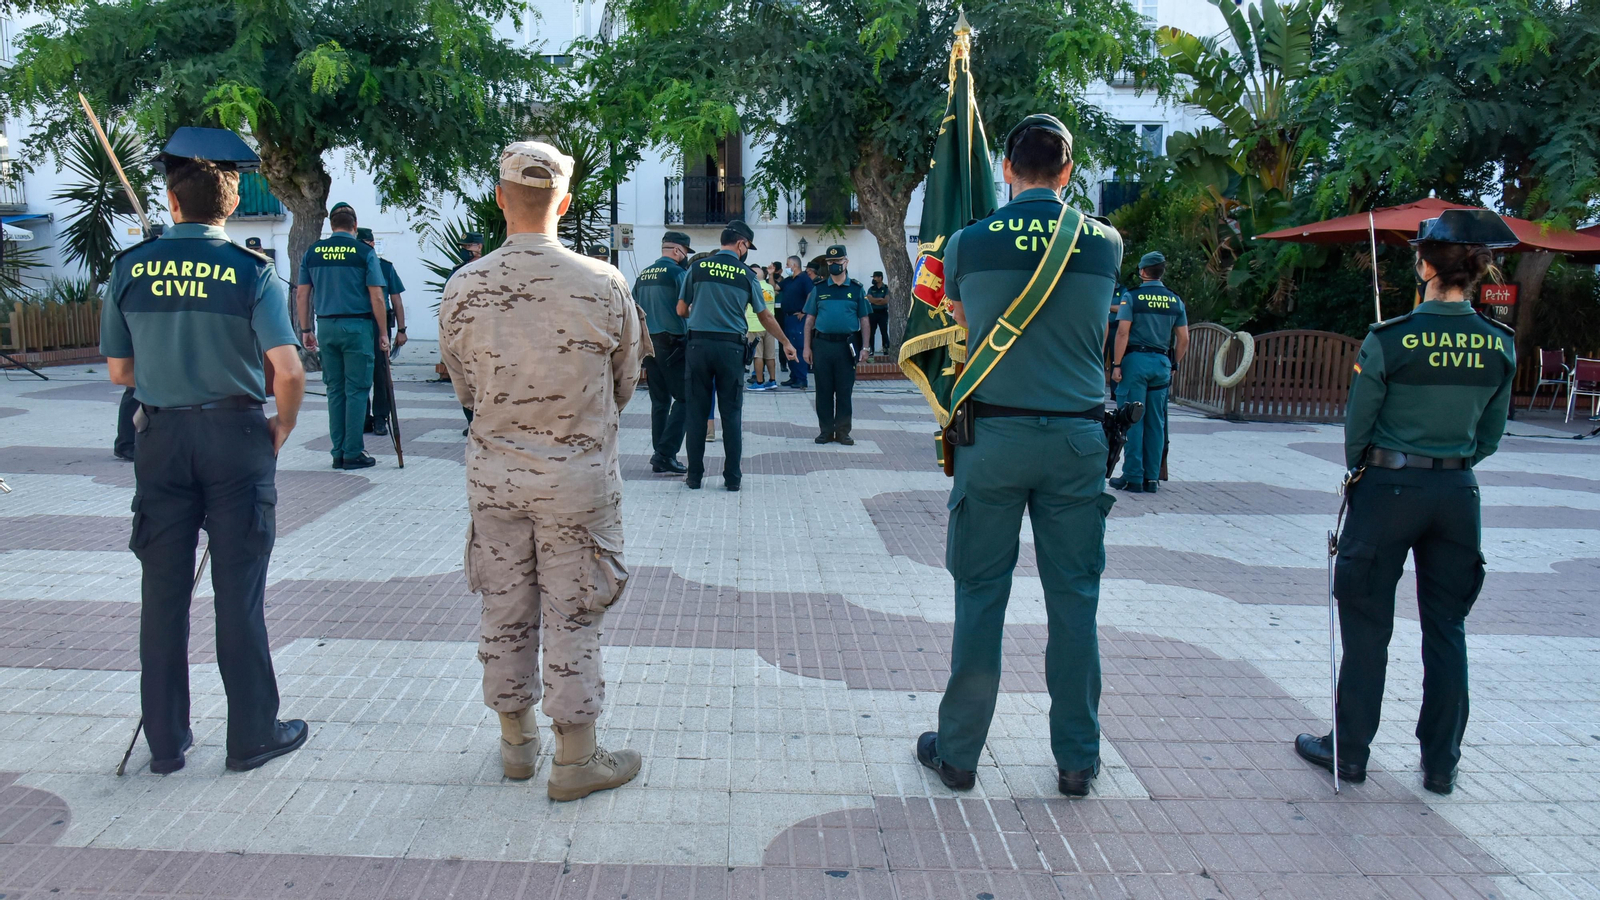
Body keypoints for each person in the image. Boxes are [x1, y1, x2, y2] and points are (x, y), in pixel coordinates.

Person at [915, 114, 1123, 798]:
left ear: (1007, 169)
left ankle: (960, 753)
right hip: (1077, 443)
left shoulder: (968, 243)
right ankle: (1076, 760)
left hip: (994, 440)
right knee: (1075, 601)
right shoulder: (1105, 243)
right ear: (1068, 172)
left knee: (981, 598)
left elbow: (965, 328)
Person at [438, 141, 649, 801]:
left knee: (504, 610)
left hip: (495, 482)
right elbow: (624, 385)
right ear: (565, 200)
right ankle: (577, 760)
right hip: (576, 485)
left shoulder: (463, 286)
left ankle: (517, 746)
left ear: (500, 198)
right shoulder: (604, 283)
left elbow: (465, 391)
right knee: (574, 613)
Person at [98, 126, 310, 774]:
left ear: (170, 200)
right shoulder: (252, 272)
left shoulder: (131, 268)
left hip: (158, 438)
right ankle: (251, 735)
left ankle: (166, 742)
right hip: (236, 437)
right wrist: (282, 427)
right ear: (230, 204)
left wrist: (170, 370)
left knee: (161, 597)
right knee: (237, 593)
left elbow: (118, 371)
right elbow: (290, 370)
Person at [1294, 208, 1518, 796]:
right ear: (1474, 272)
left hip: (1388, 490)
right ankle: (1441, 763)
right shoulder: (1500, 345)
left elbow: (1357, 433)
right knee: (1447, 627)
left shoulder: (1391, 338)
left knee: (1368, 627)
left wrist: (1381, 470)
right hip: (1456, 494)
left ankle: (1350, 753)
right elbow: (1490, 437)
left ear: (1424, 264)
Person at [676, 219, 797, 491]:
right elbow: (764, 315)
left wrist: (699, 310)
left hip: (698, 347)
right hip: (731, 349)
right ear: (741, 244)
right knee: (731, 415)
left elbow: (681, 310)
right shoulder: (747, 275)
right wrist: (786, 342)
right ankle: (732, 479)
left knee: (696, 414)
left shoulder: (696, 268)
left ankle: (694, 477)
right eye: (747, 248)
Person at [295, 202, 388, 470]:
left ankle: (337, 452)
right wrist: (383, 332)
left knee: (334, 390)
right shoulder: (363, 252)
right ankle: (353, 452)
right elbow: (377, 295)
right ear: (354, 226)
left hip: (325, 326)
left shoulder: (313, 252)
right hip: (357, 327)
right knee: (357, 390)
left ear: (331, 225)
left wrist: (305, 329)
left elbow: (302, 293)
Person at [1109, 252, 1187, 493]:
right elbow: (1184, 338)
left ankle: (1132, 476)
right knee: (1156, 422)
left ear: (1143, 271)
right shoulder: (1175, 300)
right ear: (1161, 272)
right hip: (1161, 363)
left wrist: (1116, 364)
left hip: (1135, 363)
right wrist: (1173, 363)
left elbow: (1122, 333)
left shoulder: (1132, 297)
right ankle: (1151, 478)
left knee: (1131, 419)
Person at [634, 231, 693, 474]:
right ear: (678, 251)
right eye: (685, 253)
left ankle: (660, 454)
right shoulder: (678, 273)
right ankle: (666, 453)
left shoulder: (643, 274)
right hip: (672, 343)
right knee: (686, 398)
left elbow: (634, 307)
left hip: (648, 343)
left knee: (659, 401)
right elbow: (686, 307)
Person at [803, 245, 871, 444]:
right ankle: (825, 431)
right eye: (831, 262)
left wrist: (865, 347)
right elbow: (809, 320)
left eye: (838, 261)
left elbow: (865, 320)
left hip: (846, 347)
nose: (834, 265)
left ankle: (842, 432)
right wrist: (807, 347)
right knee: (823, 390)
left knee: (844, 391)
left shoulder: (856, 289)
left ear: (846, 262)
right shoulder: (819, 289)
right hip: (822, 345)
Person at [357, 227, 408, 437]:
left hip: (380, 323)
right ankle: (363, 418)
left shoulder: (384, 267)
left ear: (370, 244)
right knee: (360, 372)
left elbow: (396, 299)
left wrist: (402, 330)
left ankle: (380, 418)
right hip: (359, 321)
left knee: (381, 372)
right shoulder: (353, 266)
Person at [455, 232, 485, 435]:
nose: (464, 251)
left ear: (479, 247)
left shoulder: (490, 269)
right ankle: (471, 421)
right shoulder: (456, 272)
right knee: (464, 379)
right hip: (464, 331)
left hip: (484, 331)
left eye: (468, 247)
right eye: (463, 247)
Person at [777, 254, 813, 389]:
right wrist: (770, 275)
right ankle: (794, 376)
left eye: (787, 264)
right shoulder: (788, 280)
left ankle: (802, 378)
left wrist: (804, 311)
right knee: (789, 346)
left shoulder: (804, 278)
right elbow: (775, 288)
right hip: (787, 317)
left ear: (794, 265)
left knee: (798, 346)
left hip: (798, 319)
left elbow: (811, 294)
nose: (786, 267)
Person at [746, 263, 779, 390]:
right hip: (770, 326)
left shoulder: (752, 287)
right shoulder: (770, 287)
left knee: (757, 355)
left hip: (755, 324)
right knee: (770, 355)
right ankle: (772, 380)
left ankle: (759, 382)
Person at [866, 270, 891, 355]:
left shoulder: (886, 288)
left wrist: (875, 301)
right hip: (872, 313)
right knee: (871, 332)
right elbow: (870, 299)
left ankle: (886, 349)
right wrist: (880, 299)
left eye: (875, 277)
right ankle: (871, 350)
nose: (874, 279)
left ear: (880, 278)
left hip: (883, 313)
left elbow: (886, 301)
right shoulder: (871, 289)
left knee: (883, 331)